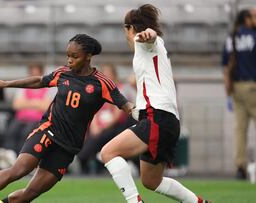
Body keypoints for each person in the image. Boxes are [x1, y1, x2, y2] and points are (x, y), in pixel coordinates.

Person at [0, 34, 135, 203]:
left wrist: (141, 111)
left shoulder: (102, 83)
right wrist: (6, 83)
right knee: (19, 169)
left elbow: (125, 105)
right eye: (68, 56)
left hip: (68, 146)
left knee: (29, 194)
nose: (69, 60)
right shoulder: (63, 73)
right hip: (48, 130)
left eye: (75, 56)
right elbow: (39, 81)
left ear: (88, 56)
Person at [100, 4, 210, 203]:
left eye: (125, 29)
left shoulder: (147, 42)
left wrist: (147, 34)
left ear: (131, 28)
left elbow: (149, 38)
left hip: (157, 119)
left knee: (108, 152)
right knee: (151, 180)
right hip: (166, 121)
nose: (126, 35)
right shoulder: (155, 51)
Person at [77, 64, 137, 174]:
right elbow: (94, 111)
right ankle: (83, 164)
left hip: (114, 127)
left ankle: (87, 161)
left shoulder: (120, 90)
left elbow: (116, 116)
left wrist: (102, 128)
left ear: (114, 76)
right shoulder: (99, 91)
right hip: (99, 126)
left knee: (100, 140)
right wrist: (95, 126)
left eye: (109, 75)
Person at [0, 64, 54, 169]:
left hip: (37, 120)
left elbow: (46, 106)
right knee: (11, 131)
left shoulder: (47, 89)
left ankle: (21, 161)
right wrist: (36, 103)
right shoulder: (23, 88)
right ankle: (9, 155)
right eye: (32, 73)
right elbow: (16, 105)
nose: (34, 75)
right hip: (21, 118)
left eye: (37, 73)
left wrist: (27, 103)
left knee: (26, 133)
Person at [221, 9, 256, 180]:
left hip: (236, 88)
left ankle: (240, 167)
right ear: (247, 19)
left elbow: (226, 68)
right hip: (252, 86)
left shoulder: (231, 38)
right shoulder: (253, 36)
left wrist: (228, 93)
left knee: (240, 130)